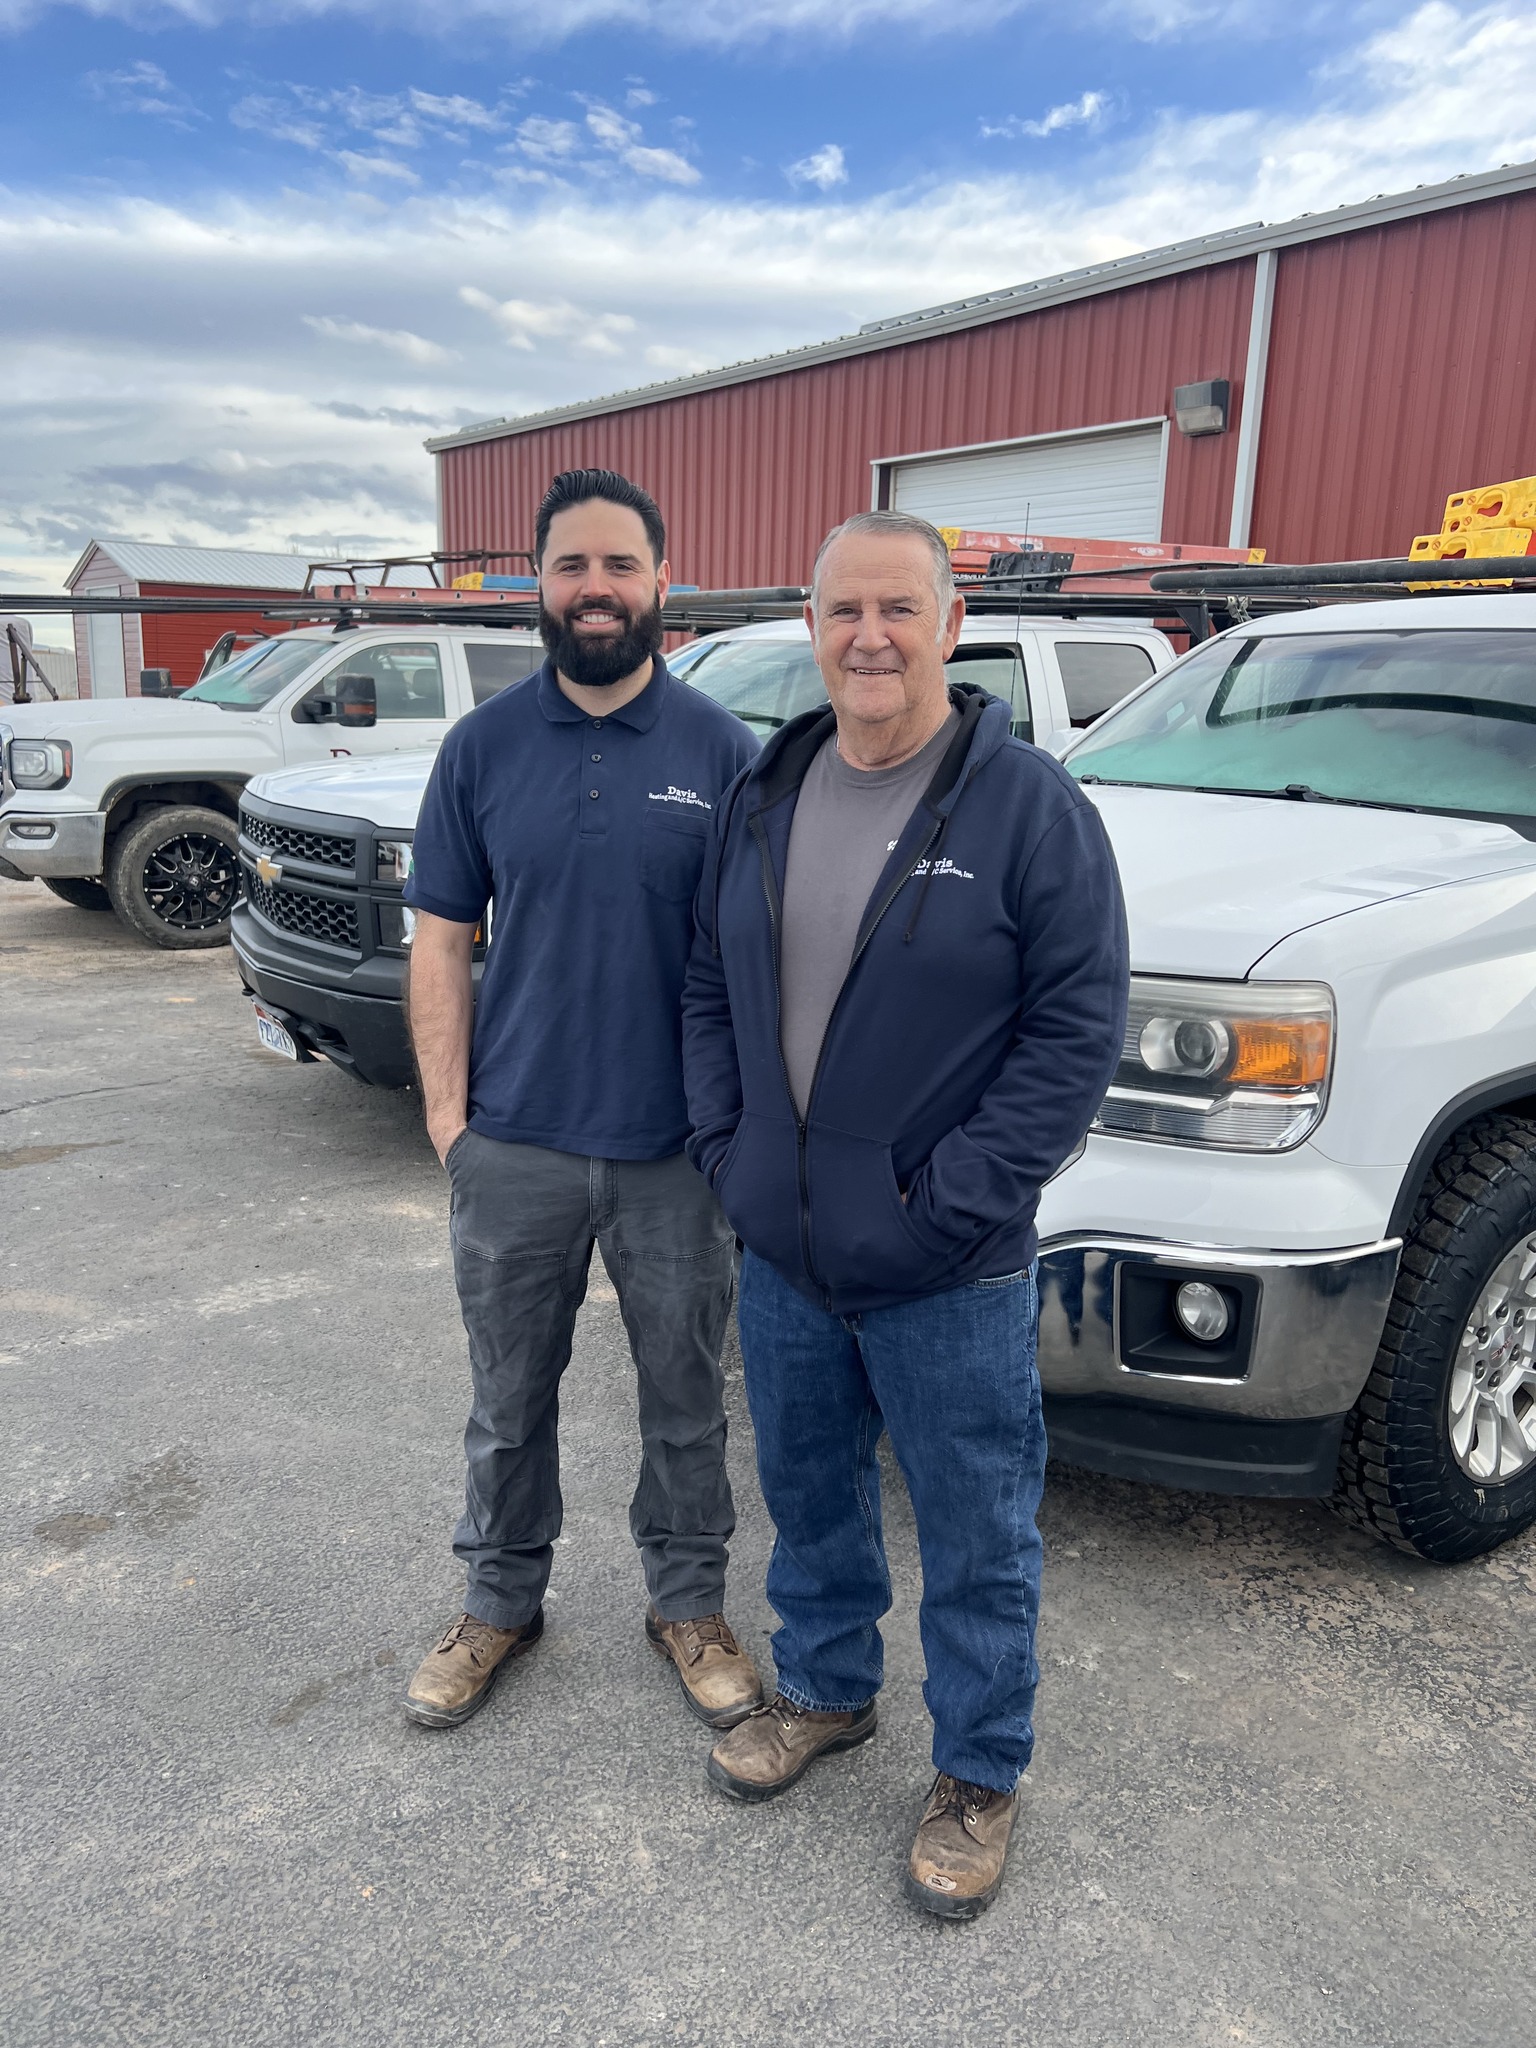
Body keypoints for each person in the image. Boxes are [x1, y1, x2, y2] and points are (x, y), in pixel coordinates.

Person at [680, 509, 1128, 1919]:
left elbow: (1074, 1032)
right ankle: (826, 1689)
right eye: (843, 611)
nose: (868, 637)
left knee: (977, 1532)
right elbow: (707, 989)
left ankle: (980, 1771)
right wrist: (732, 1157)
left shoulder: (1028, 808)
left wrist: (951, 1204)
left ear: (949, 626)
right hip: (786, 1251)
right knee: (809, 1496)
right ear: (812, 627)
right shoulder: (766, 792)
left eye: (897, 609)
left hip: (950, 1268)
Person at [401, 468, 762, 1736]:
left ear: (662, 582)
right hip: (515, 1143)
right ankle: (499, 1601)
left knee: (686, 1396)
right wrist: (450, 1123)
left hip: (676, 1154)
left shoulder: (722, 752)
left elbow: (761, 957)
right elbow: (441, 940)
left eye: (620, 564)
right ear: (539, 584)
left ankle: (689, 1603)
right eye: (572, 565)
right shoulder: (482, 747)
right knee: (508, 1400)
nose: (595, 588)